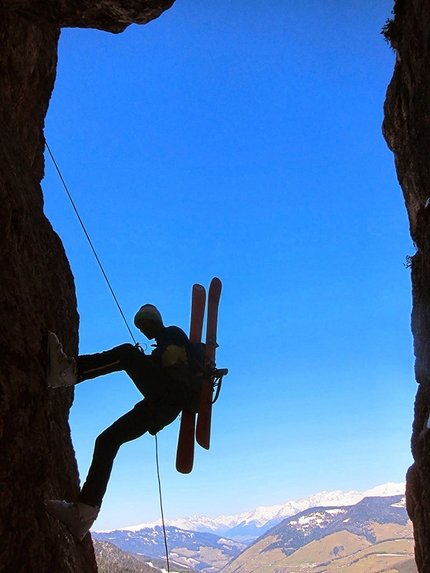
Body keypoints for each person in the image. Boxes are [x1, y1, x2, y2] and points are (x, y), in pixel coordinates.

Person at [45, 304, 194, 540]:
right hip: (162, 406)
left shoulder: (172, 333)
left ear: (155, 320)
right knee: (106, 441)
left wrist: (139, 359)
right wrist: (142, 361)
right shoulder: (167, 339)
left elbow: (166, 359)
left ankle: (68, 371)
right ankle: (83, 514)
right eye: (139, 326)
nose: (143, 330)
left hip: (168, 395)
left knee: (126, 353)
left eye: (144, 324)